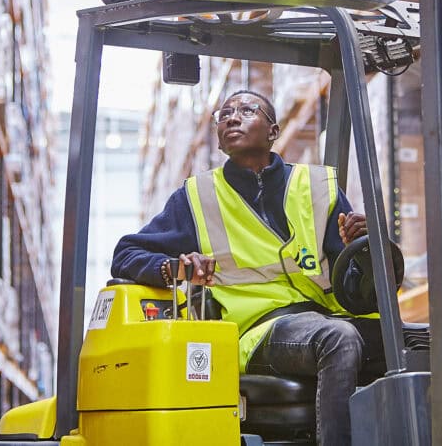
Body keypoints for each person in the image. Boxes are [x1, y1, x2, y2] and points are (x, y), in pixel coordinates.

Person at [112, 89, 384, 445]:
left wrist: (363, 249)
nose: (231, 117)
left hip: (323, 316)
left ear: (273, 130)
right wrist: (175, 269)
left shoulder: (318, 187)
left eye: (246, 110)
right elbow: (126, 253)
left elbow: (351, 287)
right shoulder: (197, 197)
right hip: (258, 331)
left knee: (420, 339)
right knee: (340, 339)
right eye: (224, 113)